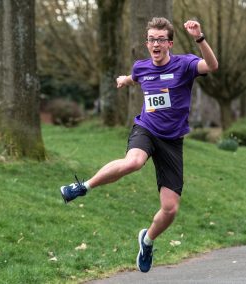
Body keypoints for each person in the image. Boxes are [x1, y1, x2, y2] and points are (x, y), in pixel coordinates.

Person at [60, 17, 218, 273]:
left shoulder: (185, 64)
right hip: (146, 129)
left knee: (170, 209)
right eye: (151, 39)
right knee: (133, 161)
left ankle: (147, 240)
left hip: (171, 141)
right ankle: (83, 187)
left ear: (169, 43)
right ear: (147, 43)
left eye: (160, 40)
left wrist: (199, 38)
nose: (156, 44)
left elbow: (212, 65)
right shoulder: (142, 67)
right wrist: (125, 79)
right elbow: (137, 77)